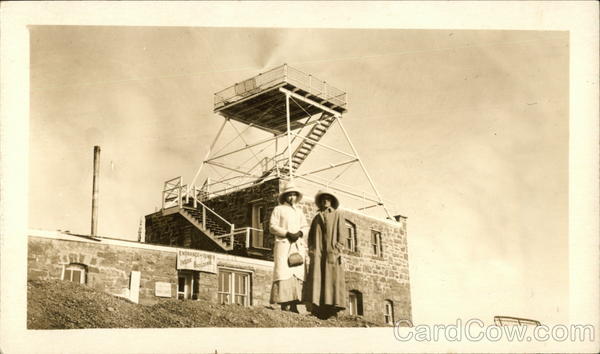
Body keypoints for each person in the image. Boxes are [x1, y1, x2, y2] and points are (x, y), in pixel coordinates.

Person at [304, 190, 347, 319]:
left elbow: (342, 236)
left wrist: (336, 250)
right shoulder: (316, 217)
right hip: (318, 254)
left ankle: (332, 310)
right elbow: (311, 236)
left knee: (332, 280)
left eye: (328, 198)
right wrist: (312, 250)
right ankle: (318, 309)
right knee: (318, 278)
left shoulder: (338, 215)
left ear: (332, 201)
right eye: (323, 198)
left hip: (331, 253)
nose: (325, 201)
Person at [269, 181, 309, 312]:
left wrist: (299, 233)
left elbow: (305, 226)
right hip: (284, 244)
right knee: (283, 271)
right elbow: (272, 226)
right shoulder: (278, 209)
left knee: (297, 272)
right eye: (289, 195)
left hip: (297, 244)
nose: (292, 198)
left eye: (294, 195)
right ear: (285, 196)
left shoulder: (299, 211)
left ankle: (294, 303)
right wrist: (286, 233)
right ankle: (283, 302)